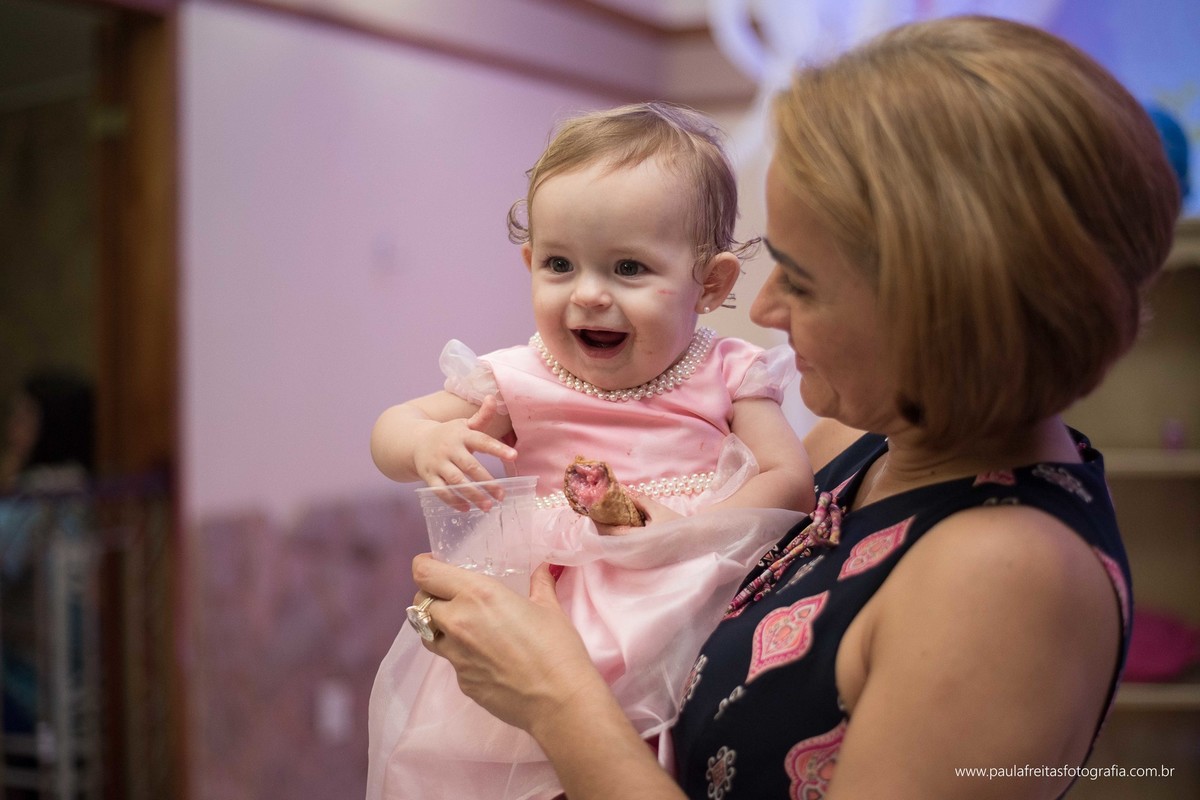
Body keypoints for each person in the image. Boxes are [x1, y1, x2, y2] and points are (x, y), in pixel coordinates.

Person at [404, 14, 1182, 800]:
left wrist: (554, 699)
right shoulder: (878, 444)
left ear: (941, 306)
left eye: (801, 281)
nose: (763, 308)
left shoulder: (1006, 578)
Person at [366, 103, 815, 799]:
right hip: (545, 618)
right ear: (529, 264)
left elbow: (790, 479)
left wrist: (692, 531)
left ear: (712, 284)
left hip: (689, 600)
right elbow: (392, 427)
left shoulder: (727, 370)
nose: (588, 294)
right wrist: (427, 440)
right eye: (559, 264)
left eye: (628, 267)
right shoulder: (520, 377)